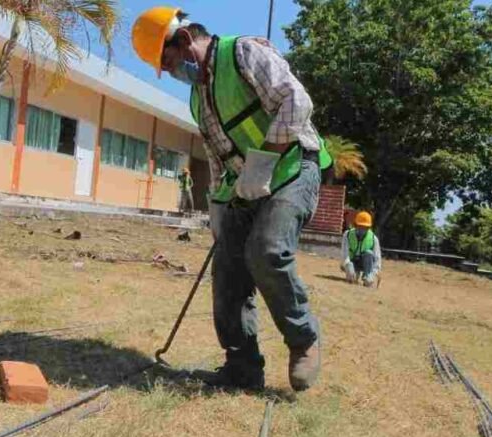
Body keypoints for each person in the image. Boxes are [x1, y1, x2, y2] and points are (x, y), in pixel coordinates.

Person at [132, 7, 333, 392]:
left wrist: (266, 159)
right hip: (245, 186)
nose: (175, 73)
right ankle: (242, 367)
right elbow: (218, 159)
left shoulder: (244, 54)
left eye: (172, 61)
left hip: (293, 168)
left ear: (186, 39)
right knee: (227, 271)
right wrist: (218, 207)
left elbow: (297, 102)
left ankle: (303, 339)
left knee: (267, 251)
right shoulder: (197, 98)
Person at [341, 211, 382, 287]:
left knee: (369, 253)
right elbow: (344, 254)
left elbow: (377, 260)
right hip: (352, 262)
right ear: (355, 225)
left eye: (365, 227)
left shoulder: (374, 238)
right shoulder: (347, 235)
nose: (362, 229)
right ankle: (354, 273)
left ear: (369, 228)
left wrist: (372, 274)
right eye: (360, 226)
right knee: (351, 279)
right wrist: (347, 265)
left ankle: (367, 276)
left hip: (366, 265)